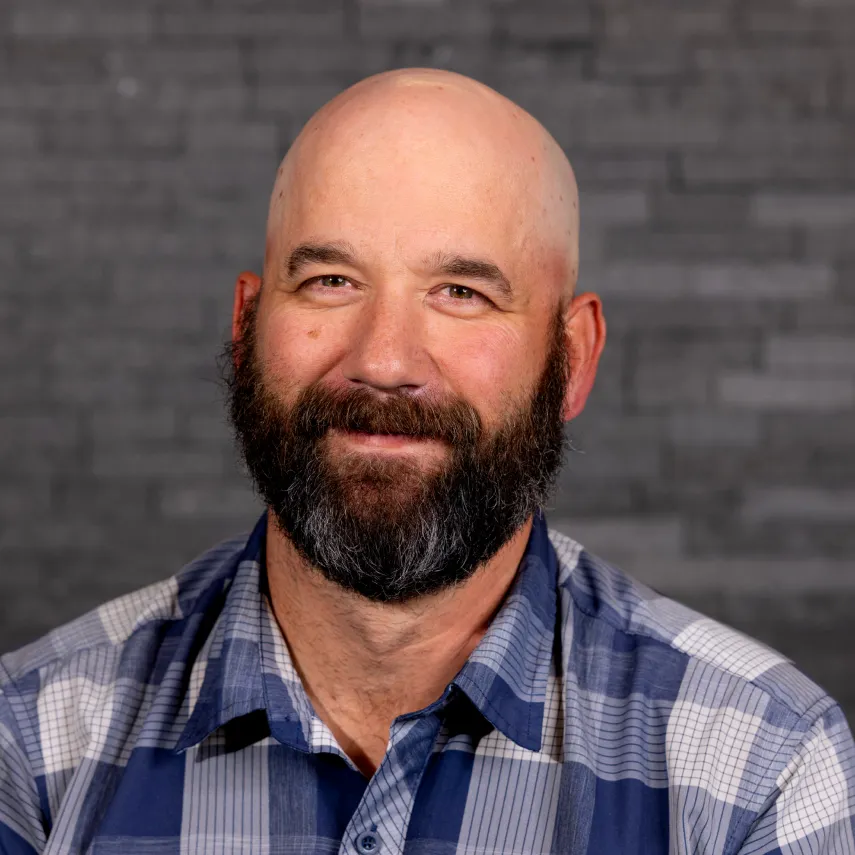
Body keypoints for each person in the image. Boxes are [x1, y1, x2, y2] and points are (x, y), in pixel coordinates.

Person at [1, 68, 852, 855]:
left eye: (461, 293)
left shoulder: (761, 767)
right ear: (246, 325)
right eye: (331, 280)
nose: (383, 360)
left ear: (572, 358)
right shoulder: (30, 744)